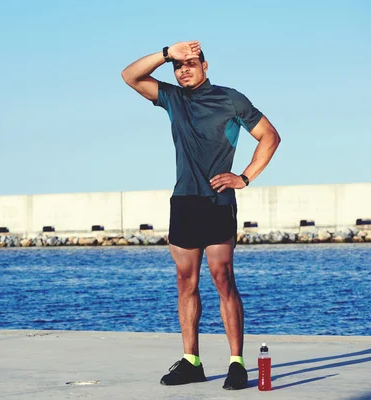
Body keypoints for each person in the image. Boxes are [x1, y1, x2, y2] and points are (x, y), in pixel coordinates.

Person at [121, 41, 280, 390]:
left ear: (205, 66)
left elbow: (269, 136)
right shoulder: (172, 98)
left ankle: (236, 362)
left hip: (218, 201)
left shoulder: (230, 98)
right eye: (179, 66)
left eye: (191, 63)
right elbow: (129, 75)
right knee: (185, 282)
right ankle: (191, 361)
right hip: (184, 203)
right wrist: (166, 53)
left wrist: (245, 177)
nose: (184, 70)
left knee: (223, 278)